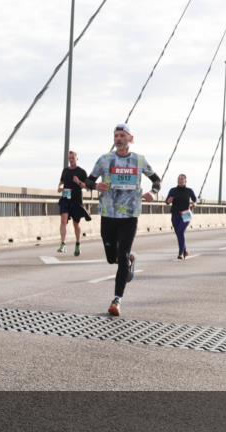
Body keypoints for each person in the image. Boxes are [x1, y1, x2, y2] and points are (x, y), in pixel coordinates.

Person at [81, 123, 161, 317]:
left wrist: (153, 192)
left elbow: (156, 180)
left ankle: (117, 300)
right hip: (108, 213)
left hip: (130, 214)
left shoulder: (139, 160)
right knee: (111, 257)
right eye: (116, 135)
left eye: (122, 135)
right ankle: (127, 262)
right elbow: (89, 181)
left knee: (122, 255)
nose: (118, 139)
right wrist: (94, 186)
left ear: (130, 139)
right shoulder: (104, 159)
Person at [56, 151, 91, 256]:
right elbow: (61, 182)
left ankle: (78, 244)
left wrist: (79, 182)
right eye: (69, 158)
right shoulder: (65, 171)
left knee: (76, 224)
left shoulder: (81, 172)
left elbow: (87, 187)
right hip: (66, 198)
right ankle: (63, 244)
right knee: (63, 220)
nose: (71, 160)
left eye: (72, 158)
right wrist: (60, 187)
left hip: (76, 200)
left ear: (77, 158)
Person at [165, 174, 197, 259]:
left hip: (186, 213)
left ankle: (180, 253)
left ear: (185, 181)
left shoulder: (189, 190)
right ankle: (185, 251)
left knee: (180, 231)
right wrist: (169, 200)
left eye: (182, 179)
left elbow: (195, 199)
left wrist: (194, 203)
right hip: (175, 214)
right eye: (179, 179)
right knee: (179, 233)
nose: (180, 180)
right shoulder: (173, 190)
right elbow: (167, 202)